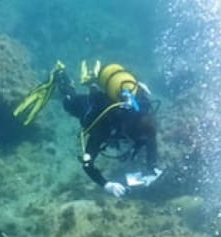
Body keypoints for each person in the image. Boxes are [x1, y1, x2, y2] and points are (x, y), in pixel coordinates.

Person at [15, 61, 162, 198]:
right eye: (133, 140)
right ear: (126, 132)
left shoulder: (144, 117)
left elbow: (150, 139)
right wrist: (106, 184)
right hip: (90, 106)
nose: (140, 142)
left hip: (112, 96)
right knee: (68, 103)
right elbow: (87, 164)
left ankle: (93, 81)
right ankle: (60, 75)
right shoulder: (103, 127)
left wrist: (152, 167)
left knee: (142, 139)